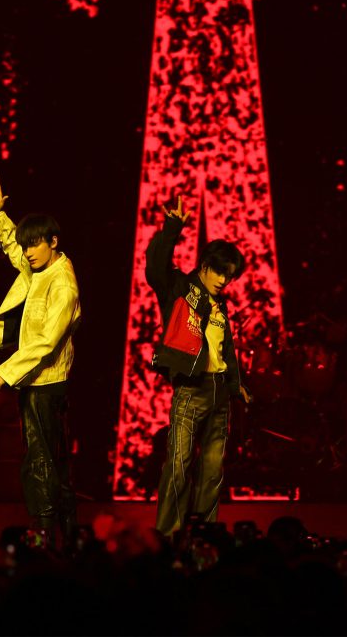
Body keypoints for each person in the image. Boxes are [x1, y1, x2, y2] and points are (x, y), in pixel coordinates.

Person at [0, 178, 81, 548]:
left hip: (45, 383)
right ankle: (65, 535)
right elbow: (13, 248)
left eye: (35, 244)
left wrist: (4, 372)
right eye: (27, 245)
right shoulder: (41, 268)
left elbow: (46, 342)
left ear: (53, 241)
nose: (28, 252)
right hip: (38, 381)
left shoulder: (62, 284)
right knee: (52, 460)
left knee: (40, 460)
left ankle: (44, 533)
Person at [146, 195, 252, 537]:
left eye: (229, 276)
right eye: (219, 272)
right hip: (190, 389)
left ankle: (206, 536)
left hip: (219, 391)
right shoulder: (180, 288)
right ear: (205, 265)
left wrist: (235, 385)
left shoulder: (220, 306)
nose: (223, 280)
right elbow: (155, 268)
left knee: (212, 471)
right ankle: (168, 535)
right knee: (179, 466)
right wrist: (173, 227)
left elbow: (226, 349)